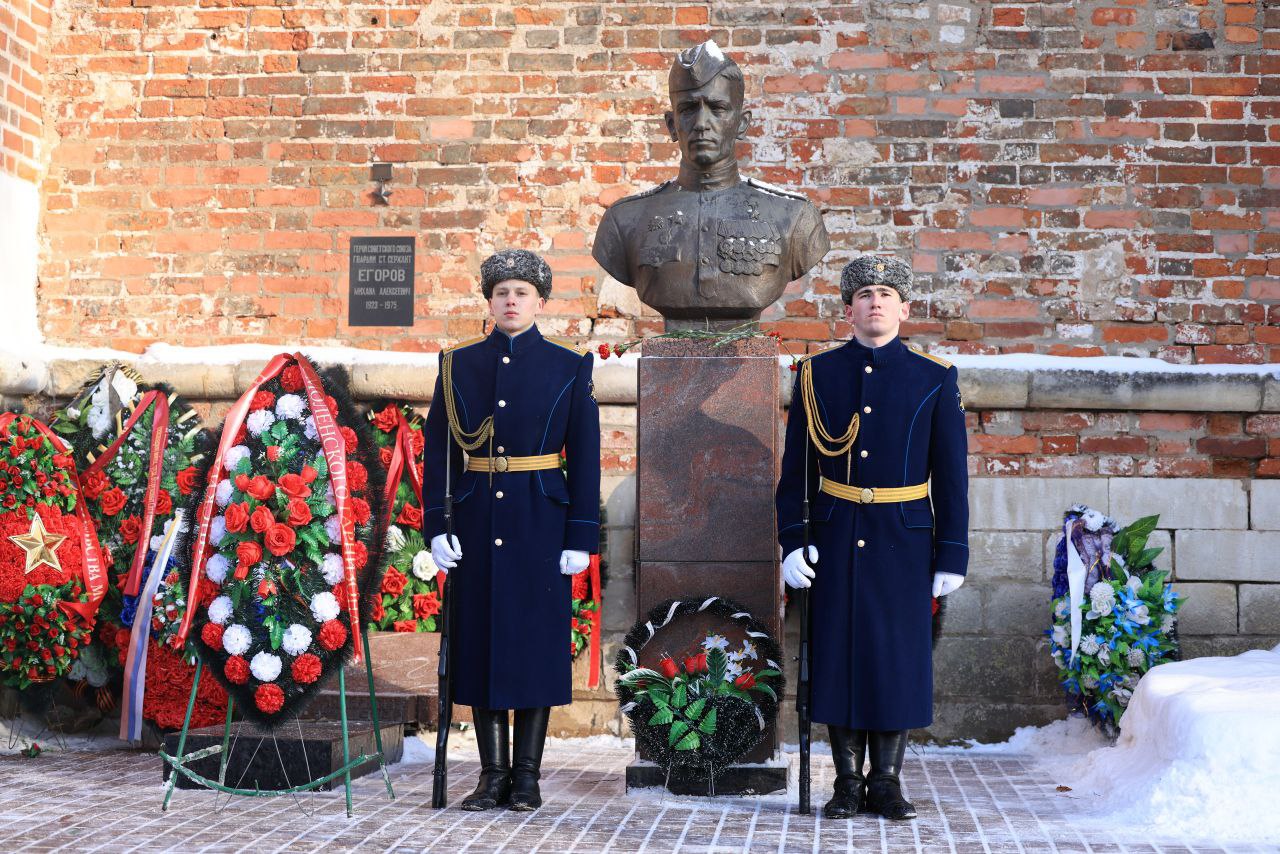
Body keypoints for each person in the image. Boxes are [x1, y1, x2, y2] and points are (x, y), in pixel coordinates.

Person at [775, 256, 969, 821]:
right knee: (837, 655)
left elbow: (950, 475)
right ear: (848, 308)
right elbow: (797, 474)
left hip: (904, 541)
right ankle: (845, 783)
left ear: (904, 308)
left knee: (894, 659)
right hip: (834, 538)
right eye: (864, 293)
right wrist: (793, 541)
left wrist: (951, 551)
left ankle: (885, 782)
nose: (875, 301)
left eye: (886, 293)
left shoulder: (934, 377)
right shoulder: (816, 376)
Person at [422, 248, 601, 812]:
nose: (511, 301)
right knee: (481, 643)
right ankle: (491, 774)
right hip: (477, 520)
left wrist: (580, 536)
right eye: (501, 293)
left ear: (540, 302)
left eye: (522, 293)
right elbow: (441, 452)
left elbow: (587, 456)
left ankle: (527, 776)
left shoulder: (567, 367)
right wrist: (436, 525)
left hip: (540, 520)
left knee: (532, 646)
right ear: (489, 301)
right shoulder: (459, 366)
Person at [591, 39, 829, 330]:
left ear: (741, 123)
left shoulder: (794, 218)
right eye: (689, 108)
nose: (702, 122)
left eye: (717, 108)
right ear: (671, 124)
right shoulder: (625, 220)